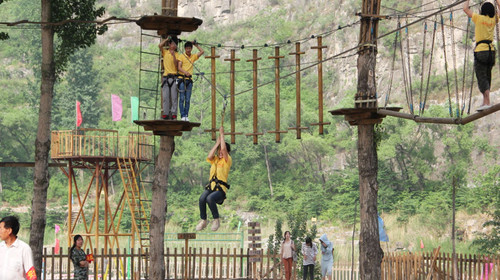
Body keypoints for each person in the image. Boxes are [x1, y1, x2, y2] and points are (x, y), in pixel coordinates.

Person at [463, 0, 500, 111]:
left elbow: (465, 9)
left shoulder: (478, 18)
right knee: (487, 76)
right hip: (491, 52)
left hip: (481, 51)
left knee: (481, 76)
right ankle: (485, 102)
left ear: (482, 10)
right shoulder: (493, 20)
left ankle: (487, 101)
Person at [196, 126, 232, 232]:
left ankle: (216, 219)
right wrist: (217, 143)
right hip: (211, 187)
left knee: (209, 198)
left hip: (220, 190)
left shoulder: (227, 160)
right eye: (219, 151)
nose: (220, 152)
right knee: (202, 199)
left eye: (222, 151)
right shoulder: (215, 160)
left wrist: (222, 135)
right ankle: (203, 220)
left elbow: (224, 149)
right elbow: (210, 155)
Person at [0, 216, 37, 280]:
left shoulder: (24, 249)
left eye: (0, 228)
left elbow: (31, 274)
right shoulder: (1, 247)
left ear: (9, 230)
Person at [177, 41, 204, 122]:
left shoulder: (193, 56)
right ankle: (182, 115)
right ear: (185, 49)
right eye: (187, 48)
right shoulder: (181, 56)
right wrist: (185, 72)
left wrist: (196, 45)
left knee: (188, 99)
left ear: (191, 49)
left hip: (189, 80)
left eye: (189, 48)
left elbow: (202, 51)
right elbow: (179, 67)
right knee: (182, 98)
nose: (188, 50)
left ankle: (186, 115)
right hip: (182, 79)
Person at [159, 35, 181, 120]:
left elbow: (176, 65)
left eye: (175, 44)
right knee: (165, 97)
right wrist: (166, 40)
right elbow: (160, 46)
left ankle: (174, 113)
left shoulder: (177, 54)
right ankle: (166, 113)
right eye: (173, 44)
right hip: (166, 77)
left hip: (174, 76)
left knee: (174, 97)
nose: (174, 45)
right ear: (170, 44)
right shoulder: (165, 52)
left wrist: (173, 56)